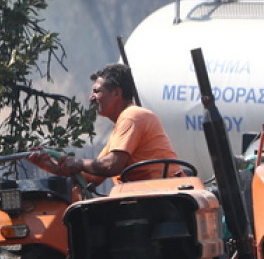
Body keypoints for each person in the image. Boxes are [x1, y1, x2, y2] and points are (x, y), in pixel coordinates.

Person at [29, 63, 181, 185]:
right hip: (145, 196)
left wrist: (79, 163)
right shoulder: (121, 126)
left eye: (97, 91)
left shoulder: (132, 116)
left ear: (116, 93)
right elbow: (93, 177)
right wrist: (52, 166)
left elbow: (111, 165)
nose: (91, 98)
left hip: (161, 197)